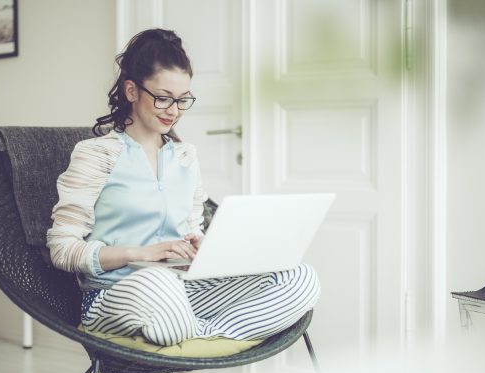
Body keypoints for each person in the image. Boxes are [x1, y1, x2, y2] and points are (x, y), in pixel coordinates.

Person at [46, 28, 321, 346]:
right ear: (132, 91)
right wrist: (139, 253)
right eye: (163, 98)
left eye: (183, 100)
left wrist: (204, 248)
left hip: (183, 288)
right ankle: (209, 331)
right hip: (119, 294)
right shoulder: (96, 154)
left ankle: (195, 334)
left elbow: (192, 229)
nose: (174, 111)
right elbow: (63, 249)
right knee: (158, 285)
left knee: (301, 278)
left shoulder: (185, 156)